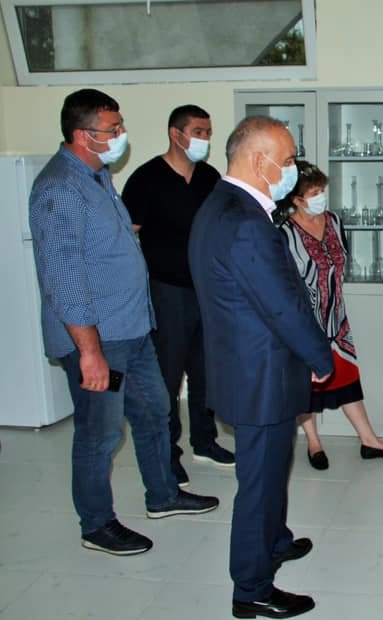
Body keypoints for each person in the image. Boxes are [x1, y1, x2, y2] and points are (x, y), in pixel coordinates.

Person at [28, 89, 219, 556]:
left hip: (132, 332)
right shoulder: (60, 188)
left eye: (120, 126)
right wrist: (90, 352)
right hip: (100, 341)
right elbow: (64, 278)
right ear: (82, 135)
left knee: (154, 411)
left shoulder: (97, 177)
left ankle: (164, 495)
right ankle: (96, 524)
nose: (121, 135)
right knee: (100, 433)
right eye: (112, 129)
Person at [188, 116, 334, 619]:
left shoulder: (222, 204)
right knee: (259, 484)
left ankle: (275, 541)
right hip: (261, 373)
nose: (292, 169)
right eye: (287, 160)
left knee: (273, 469)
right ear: (258, 160)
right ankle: (251, 589)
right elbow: (281, 306)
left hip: (249, 365)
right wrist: (319, 356)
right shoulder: (244, 221)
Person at [121, 104, 233, 488]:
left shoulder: (209, 177)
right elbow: (128, 236)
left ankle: (205, 440)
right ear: (176, 133)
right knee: (167, 376)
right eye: (199, 131)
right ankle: (168, 454)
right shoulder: (146, 178)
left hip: (206, 290)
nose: (205, 139)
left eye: (208, 132)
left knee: (206, 370)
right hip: (166, 291)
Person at [278, 161, 383, 470]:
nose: (321, 197)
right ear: (296, 199)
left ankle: (369, 440)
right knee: (307, 388)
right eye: (313, 193)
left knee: (347, 378)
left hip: (336, 322)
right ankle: (314, 443)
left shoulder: (334, 221)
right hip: (305, 325)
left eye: (322, 190)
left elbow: (341, 262)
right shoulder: (284, 234)